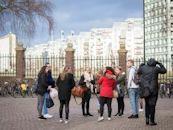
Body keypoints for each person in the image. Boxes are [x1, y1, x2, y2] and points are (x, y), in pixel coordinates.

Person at [138, 58, 167, 125]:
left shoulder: (143, 68)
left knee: (147, 104)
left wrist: (141, 65)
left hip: (146, 89)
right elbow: (164, 71)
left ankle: (147, 119)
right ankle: (152, 121)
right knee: (152, 105)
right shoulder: (156, 68)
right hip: (153, 89)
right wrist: (159, 63)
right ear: (154, 63)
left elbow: (138, 72)